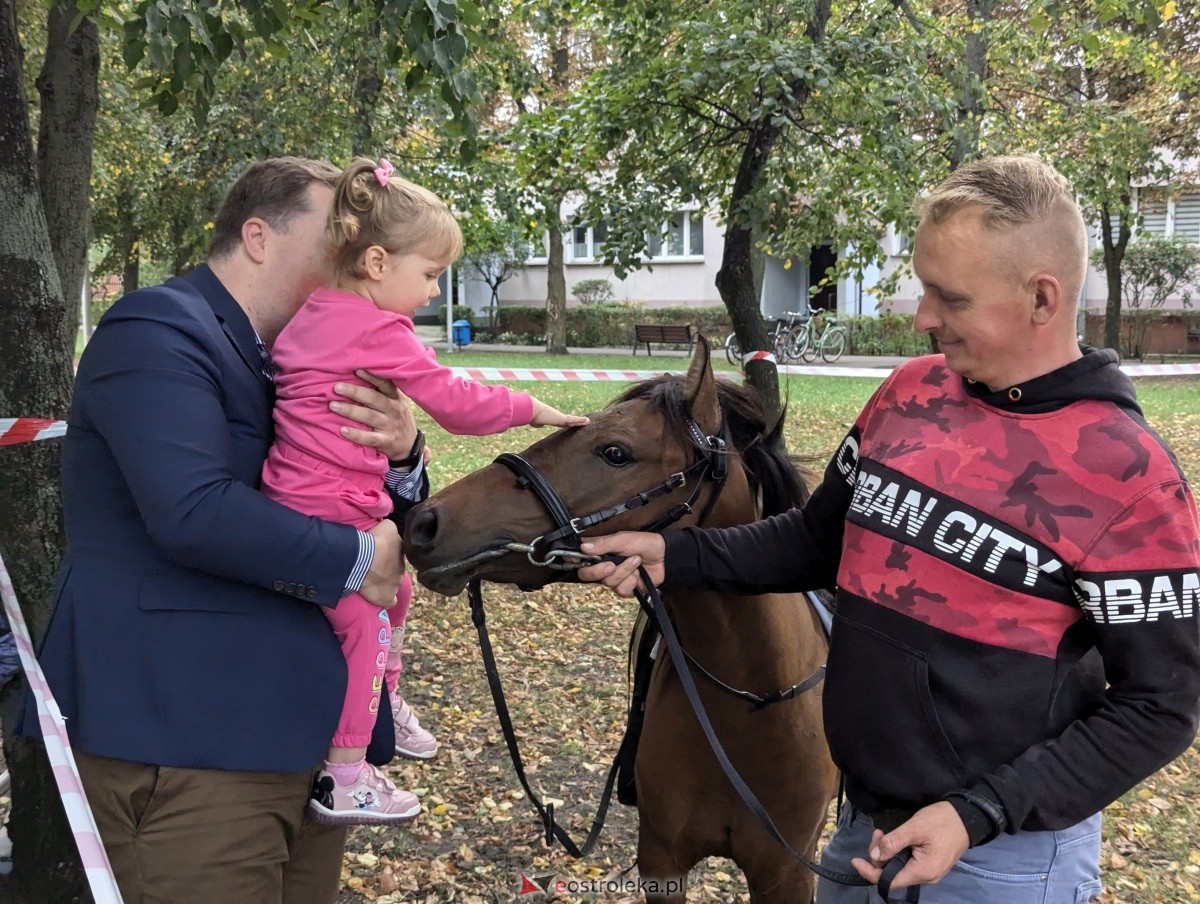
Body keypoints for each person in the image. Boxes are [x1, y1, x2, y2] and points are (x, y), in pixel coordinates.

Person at [579, 155, 1200, 903]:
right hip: (859, 835)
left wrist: (980, 814)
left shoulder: (1129, 477)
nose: (922, 318)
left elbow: (1161, 705)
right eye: (923, 286)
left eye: (949, 296)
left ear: (1042, 298)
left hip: (1000, 863)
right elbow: (817, 541)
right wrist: (675, 554)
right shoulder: (909, 393)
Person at [25, 157, 423, 903]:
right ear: (258, 237)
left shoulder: (308, 357)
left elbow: (348, 489)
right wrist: (357, 559)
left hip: (297, 740)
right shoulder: (156, 328)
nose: (355, 256)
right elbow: (193, 512)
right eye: (336, 235)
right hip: (188, 740)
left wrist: (406, 454)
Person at [261, 156, 589, 826]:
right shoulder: (378, 328)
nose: (434, 292)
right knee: (363, 623)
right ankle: (347, 774)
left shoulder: (313, 313)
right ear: (377, 262)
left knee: (401, 589)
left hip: (299, 496)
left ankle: (388, 699)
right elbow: (455, 402)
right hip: (328, 511)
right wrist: (533, 409)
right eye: (430, 275)